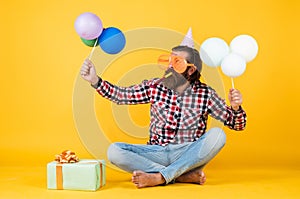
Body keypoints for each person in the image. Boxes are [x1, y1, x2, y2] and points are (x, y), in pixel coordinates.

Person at [80, 45, 247, 188]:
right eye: (168, 60)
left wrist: (235, 107)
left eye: (177, 62)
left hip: (187, 152)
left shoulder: (205, 94)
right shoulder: (155, 86)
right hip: (156, 151)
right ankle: (179, 175)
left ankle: (160, 177)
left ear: (191, 69)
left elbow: (236, 124)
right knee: (114, 151)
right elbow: (122, 95)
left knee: (218, 135)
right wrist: (95, 80)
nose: (169, 67)